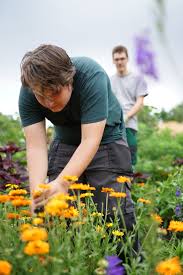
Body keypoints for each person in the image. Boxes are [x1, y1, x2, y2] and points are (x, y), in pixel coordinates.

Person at [19, 44, 139, 258]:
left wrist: (64, 182)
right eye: (41, 96)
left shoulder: (92, 75)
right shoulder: (30, 89)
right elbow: (36, 146)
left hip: (105, 139)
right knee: (57, 211)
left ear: (69, 81)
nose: (48, 102)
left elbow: (90, 140)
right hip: (65, 141)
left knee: (113, 212)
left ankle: (126, 265)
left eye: (54, 93)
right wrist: (38, 194)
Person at [110, 45, 148, 167]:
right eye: (116, 59)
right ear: (113, 60)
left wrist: (126, 116)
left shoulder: (138, 79)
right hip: (113, 125)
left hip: (129, 124)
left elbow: (140, 102)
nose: (119, 62)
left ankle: (130, 184)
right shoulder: (109, 80)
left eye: (122, 58)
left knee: (130, 159)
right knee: (114, 158)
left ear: (127, 59)